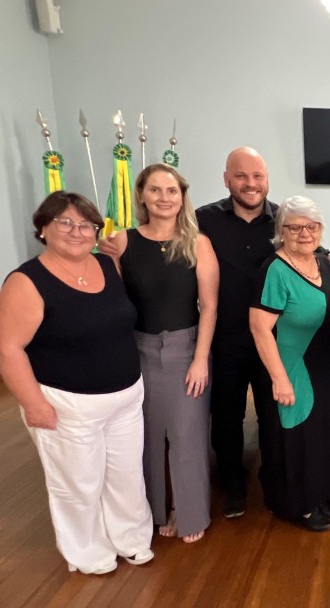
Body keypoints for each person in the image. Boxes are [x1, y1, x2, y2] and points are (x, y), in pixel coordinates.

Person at [0, 191, 153, 574]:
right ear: (43, 229)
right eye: (65, 222)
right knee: (78, 484)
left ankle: (131, 538)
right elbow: (6, 347)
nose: (77, 232)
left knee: (126, 476)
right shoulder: (27, 281)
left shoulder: (106, 264)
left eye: (85, 225)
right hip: (68, 404)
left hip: (125, 397)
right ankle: (88, 553)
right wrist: (33, 404)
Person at [105, 164, 219, 544]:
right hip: (138, 350)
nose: (164, 198)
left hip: (186, 349)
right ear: (141, 195)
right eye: (155, 190)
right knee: (147, 439)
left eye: (172, 191)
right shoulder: (121, 242)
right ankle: (152, 511)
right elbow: (113, 302)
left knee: (187, 436)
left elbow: (210, 306)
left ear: (182, 197)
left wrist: (200, 359)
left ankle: (188, 513)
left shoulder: (198, 243)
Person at [250, 196, 330, 532]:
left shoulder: (324, 262)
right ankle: (298, 505)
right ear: (281, 231)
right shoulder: (275, 270)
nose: (304, 233)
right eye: (294, 227)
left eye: (312, 226)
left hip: (326, 364)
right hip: (292, 365)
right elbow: (259, 328)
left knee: (321, 431)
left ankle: (320, 494)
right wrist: (279, 378)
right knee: (296, 435)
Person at [196, 147, 279, 518]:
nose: (250, 183)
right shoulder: (203, 220)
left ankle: (274, 478)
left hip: (271, 340)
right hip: (223, 338)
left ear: (267, 179)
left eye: (257, 176)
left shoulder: (284, 219)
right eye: (241, 176)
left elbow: (312, 251)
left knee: (271, 415)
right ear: (226, 179)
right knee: (226, 416)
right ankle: (232, 483)